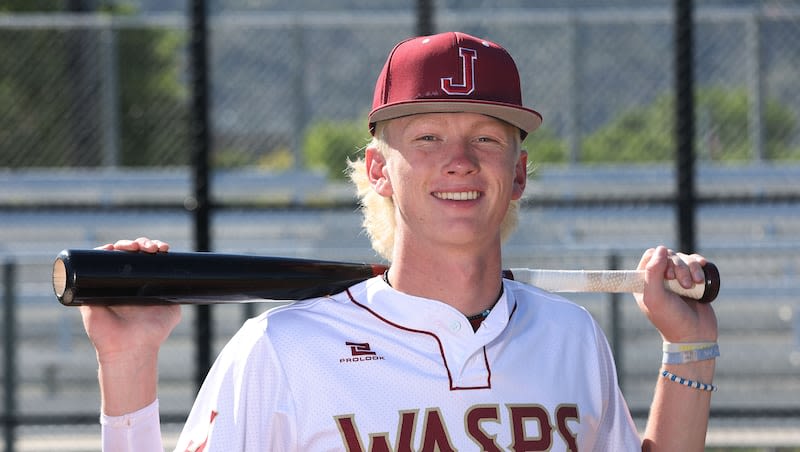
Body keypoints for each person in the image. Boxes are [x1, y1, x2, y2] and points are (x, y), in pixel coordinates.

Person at [80, 32, 718, 451]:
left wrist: (690, 348)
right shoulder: (281, 349)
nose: (461, 160)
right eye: (428, 139)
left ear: (517, 174)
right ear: (380, 170)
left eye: (487, 139)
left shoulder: (571, 336)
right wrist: (129, 361)